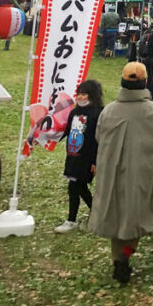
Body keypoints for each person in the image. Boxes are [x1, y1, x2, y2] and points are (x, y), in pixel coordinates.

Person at [89, 63, 153, 284]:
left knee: (117, 213)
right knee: (136, 216)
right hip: (142, 171)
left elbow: (99, 136)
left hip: (111, 171)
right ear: (145, 83)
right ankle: (125, 255)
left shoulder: (109, 110)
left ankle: (118, 258)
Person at [55, 80, 103, 234]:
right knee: (77, 187)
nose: (80, 97)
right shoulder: (74, 113)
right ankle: (97, 213)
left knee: (75, 186)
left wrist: (96, 161)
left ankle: (72, 220)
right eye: (79, 94)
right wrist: (42, 139)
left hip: (88, 158)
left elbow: (99, 139)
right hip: (73, 156)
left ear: (93, 95)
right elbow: (66, 132)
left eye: (84, 93)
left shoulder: (99, 113)